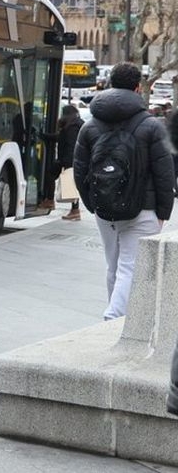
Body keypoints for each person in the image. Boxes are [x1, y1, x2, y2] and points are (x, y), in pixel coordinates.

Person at [72, 62, 174, 321]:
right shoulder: (152, 126)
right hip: (144, 209)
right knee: (130, 267)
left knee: (114, 267)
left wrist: (93, 204)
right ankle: (114, 315)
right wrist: (163, 212)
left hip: (104, 209)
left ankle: (114, 322)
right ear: (138, 87)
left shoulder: (89, 126)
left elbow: (79, 171)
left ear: (110, 84)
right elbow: (164, 173)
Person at [41, 104, 84, 220]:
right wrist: (45, 136)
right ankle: (70, 209)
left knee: (56, 176)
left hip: (69, 159)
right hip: (72, 159)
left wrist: (66, 162)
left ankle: (53, 202)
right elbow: (60, 137)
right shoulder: (76, 124)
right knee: (70, 183)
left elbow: (70, 144)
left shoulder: (72, 127)